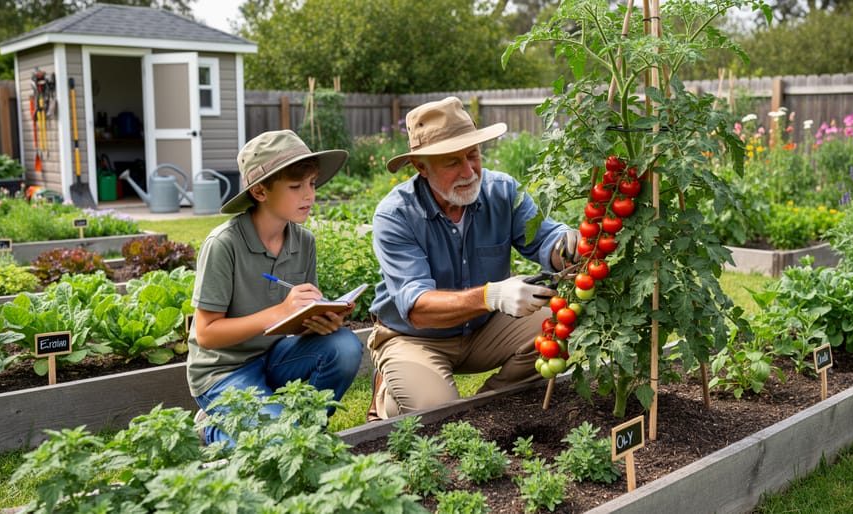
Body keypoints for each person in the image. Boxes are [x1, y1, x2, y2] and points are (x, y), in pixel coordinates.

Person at [366, 96, 580, 421]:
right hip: (415, 337)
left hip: (482, 330)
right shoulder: (396, 215)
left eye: (473, 155)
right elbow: (418, 308)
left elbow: (545, 240)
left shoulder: (502, 191)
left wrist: (566, 246)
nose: (469, 171)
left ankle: (487, 412)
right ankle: (390, 391)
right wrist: (491, 295)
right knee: (433, 410)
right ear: (421, 167)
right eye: (452, 162)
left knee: (557, 327)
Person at [187, 130, 363, 446]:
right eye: (295, 187)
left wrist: (322, 319)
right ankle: (212, 427)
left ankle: (304, 437)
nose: (309, 195)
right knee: (276, 442)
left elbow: (296, 320)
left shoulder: (303, 242)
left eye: (312, 183)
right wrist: (279, 312)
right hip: (224, 372)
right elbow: (207, 334)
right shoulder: (223, 245)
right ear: (259, 191)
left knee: (345, 346)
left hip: (275, 357)